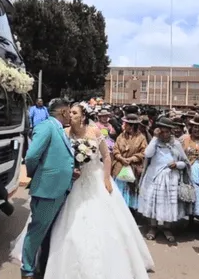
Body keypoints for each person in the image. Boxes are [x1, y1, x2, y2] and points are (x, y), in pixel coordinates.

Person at [16, 101, 154, 279]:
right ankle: (43, 260)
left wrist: (106, 178)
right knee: (55, 224)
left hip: (93, 178)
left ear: (83, 116)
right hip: (70, 184)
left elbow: (106, 156)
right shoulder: (63, 132)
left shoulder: (94, 131)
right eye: (69, 112)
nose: (71, 115)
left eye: (74, 113)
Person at [19, 98, 77, 278]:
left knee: (47, 231)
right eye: (69, 111)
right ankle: (27, 270)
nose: (70, 115)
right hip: (47, 189)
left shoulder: (59, 129)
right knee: (37, 231)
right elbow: (31, 156)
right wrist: (37, 175)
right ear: (63, 112)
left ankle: (41, 265)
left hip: (59, 189)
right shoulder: (46, 126)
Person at [138, 118, 192, 242]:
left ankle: (167, 227)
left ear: (171, 132)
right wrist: (154, 138)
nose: (164, 134)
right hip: (154, 177)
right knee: (153, 201)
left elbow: (185, 163)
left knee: (168, 203)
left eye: (167, 132)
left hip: (171, 178)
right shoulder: (155, 142)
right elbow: (147, 154)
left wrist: (177, 164)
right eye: (161, 132)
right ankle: (153, 226)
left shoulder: (176, 144)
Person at [111, 114, 148, 211]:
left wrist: (132, 159)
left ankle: (130, 211)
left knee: (131, 190)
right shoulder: (121, 136)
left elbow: (144, 152)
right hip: (120, 165)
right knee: (118, 190)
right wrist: (121, 158)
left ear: (132, 126)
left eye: (126, 124)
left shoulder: (141, 138)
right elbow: (115, 149)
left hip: (133, 167)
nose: (124, 125)